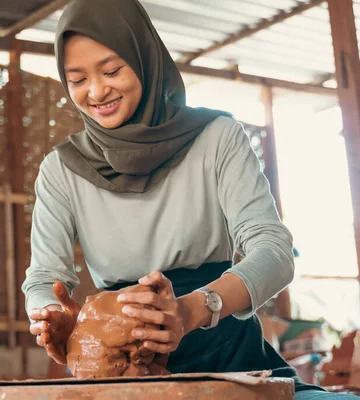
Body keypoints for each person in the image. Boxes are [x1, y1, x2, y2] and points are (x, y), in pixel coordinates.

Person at [22, 0, 357, 398]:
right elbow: (45, 279)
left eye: (112, 70)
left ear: (145, 59)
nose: (96, 91)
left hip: (231, 359)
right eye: (77, 79)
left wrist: (193, 309)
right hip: (122, 373)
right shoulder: (62, 169)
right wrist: (54, 316)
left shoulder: (217, 138)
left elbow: (274, 251)